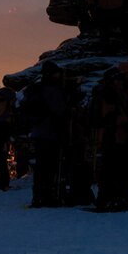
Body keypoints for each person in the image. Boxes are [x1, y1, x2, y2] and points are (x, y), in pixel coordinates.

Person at [21, 62, 75, 208]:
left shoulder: (38, 89)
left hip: (39, 132)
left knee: (41, 167)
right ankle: (48, 195)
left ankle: (39, 196)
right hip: (52, 132)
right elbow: (60, 110)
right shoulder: (54, 90)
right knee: (50, 166)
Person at [92, 64, 128, 211]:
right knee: (112, 167)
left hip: (118, 135)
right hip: (113, 135)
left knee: (118, 166)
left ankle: (116, 197)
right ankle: (109, 198)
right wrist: (127, 120)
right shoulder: (108, 93)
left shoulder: (118, 91)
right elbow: (109, 115)